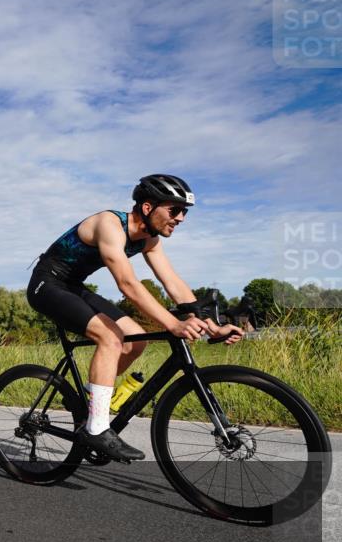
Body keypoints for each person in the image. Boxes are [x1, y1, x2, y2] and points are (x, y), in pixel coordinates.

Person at [26, 174, 242, 461]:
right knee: (111, 337)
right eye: (174, 210)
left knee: (136, 340)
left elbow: (173, 284)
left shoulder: (149, 240)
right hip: (47, 284)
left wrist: (211, 325)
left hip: (75, 287)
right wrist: (174, 324)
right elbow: (127, 284)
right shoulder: (110, 224)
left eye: (185, 212)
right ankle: (97, 428)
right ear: (148, 207)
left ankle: (93, 400)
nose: (181, 218)